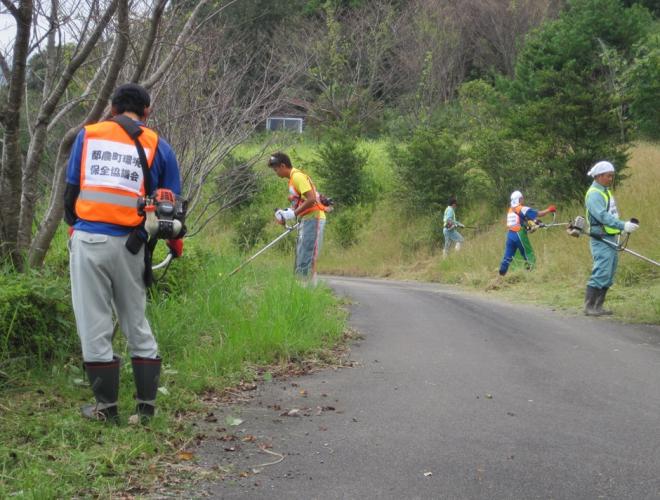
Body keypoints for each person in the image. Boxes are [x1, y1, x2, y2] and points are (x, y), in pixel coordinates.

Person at [64, 83, 183, 423]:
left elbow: (70, 193)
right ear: (146, 112)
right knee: (136, 322)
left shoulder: (87, 136)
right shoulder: (157, 144)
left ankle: (106, 409)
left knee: (94, 324)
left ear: (113, 108)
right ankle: (146, 410)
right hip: (132, 246)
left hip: (89, 241)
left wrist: (76, 225)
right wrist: (174, 243)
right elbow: (171, 207)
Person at [583, 161, 639, 316]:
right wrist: (623, 226)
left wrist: (619, 229)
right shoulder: (594, 194)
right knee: (602, 270)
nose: (611, 179)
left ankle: (598, 307)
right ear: (599, 176)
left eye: (611, 176)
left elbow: (610, 213)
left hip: (609, 236)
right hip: (600, 237)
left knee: (609, 271)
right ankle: (589, 307)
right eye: (608, 176)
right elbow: (602, 216)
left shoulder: (604, 191)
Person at [268, 151, 327, 283]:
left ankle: (307, 290)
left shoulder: (297, 177)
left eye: (276, 169)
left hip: (313, 218)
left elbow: (311, 199)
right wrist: (287, 212)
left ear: (283, 166)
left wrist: (293, 213)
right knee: (301, 256)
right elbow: (301, 201)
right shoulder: (292, 180)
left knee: (307, 256)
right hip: (306, 219)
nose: (276, 172)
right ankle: (301, 289)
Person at [498, 190, 556, 276]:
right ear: (519, 199)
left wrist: (532, 225)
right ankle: (531, 274)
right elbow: (538, 214)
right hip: (519, 234)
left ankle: (501, 274)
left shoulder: (510, 209)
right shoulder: (521, 208)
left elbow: (522, 220)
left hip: (510, 234)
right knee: (528, 253)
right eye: (522, 198)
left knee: (508, 255)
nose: (523, 200)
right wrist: (549, 209)